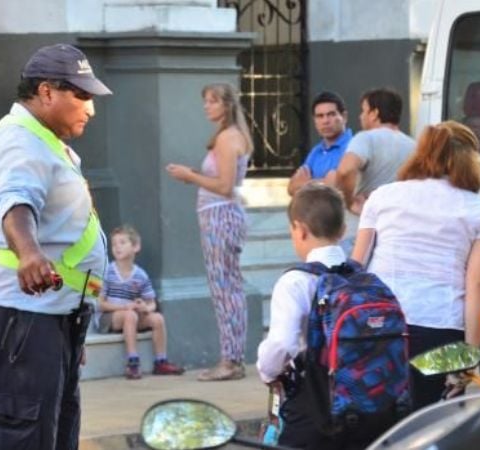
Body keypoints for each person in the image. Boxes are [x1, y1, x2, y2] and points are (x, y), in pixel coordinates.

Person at [0, 44, 111, 450]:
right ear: (46, 92)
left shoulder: (42, 141)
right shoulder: (19, 143)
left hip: (46, 317)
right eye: (82, 95)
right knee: (21, 438)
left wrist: (69, 326)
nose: (91, 109)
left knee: (52, 434)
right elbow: (15, 203)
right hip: (20, 317)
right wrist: (29, 253)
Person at [351, 121, 480, 410]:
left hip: (380, 328)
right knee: (433, 419)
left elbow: (357, 265)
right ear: (470, 161)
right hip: (441, 333)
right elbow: (477, 284)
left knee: (381, 419)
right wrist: (469, 357)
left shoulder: (382, 196)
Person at [257, 183, 398, 449]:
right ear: (343, 230)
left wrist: (267, 371)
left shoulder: (296, 281)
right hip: (372, 408)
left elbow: (283, 344)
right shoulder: (367, 280)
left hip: (317, 407)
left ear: (299, 229)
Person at [165, 82, 253, 381]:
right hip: (217, 216)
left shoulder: (228, 138)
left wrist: (190, 176)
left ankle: (231, 360)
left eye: (212, 101)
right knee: (225, 287)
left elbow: (225, 186)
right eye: (205, 101)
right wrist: (194, 175)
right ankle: (231, 357)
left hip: (221, 217)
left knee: (225, 288)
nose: (206, 106)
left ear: (226, 105)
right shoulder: (227, 136)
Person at [95, 225, 184, 380]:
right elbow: (99, 303)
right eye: (114, 244)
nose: (117, 247)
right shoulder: (107, 272)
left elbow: (152, 303)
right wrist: (124, 307)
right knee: (130, 315)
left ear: (135, 247)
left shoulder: (140, 275)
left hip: (132, 316)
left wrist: (145, 308)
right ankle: (133, 361)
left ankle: (161, 361)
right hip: (109, 318)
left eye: (122, 243)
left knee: (157, 318)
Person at [335, 88, 415, 251]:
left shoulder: (366, 138)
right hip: (397, 233)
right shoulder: (415, 146)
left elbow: (345, 170)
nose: (361, 116)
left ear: (374, 114)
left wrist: (350, 202)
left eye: (364, 111)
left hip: (360, 232)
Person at [286, 91, 353, 196]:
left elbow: (336, 185)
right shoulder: (316, 151)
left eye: (331, 114)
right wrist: (323, 182)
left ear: (344, 117)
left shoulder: (353, 147)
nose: (325, 121)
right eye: (320, 116)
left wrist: (306, 184)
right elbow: (292, 187)